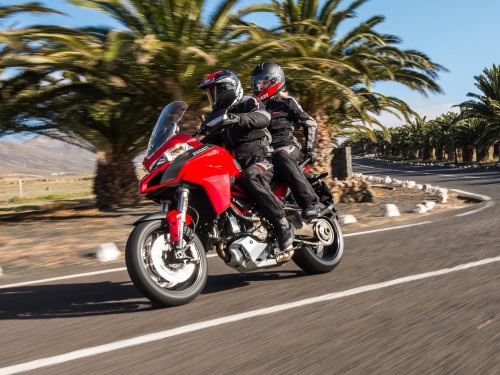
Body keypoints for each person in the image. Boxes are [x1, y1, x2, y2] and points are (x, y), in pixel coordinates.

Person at [198, 70, 294, 251]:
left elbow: (263, 117)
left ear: (229, 89)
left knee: (251, 176)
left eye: (216, 91)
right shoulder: (222, 118)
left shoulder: (249, 102)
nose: (214, 97)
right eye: (211, 93)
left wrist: (235, 118)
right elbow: (209, 142)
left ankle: (282, 223)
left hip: (262, 159)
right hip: (237, 166)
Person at [251, 62, 321, 220]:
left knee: (280, 155)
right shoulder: (254, 107)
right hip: (265, 153)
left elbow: (309, 123)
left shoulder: (287, 102)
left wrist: (310, 149)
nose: (259, 86)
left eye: (264, 82)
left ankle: (310, 202)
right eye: (257, 82)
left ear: (276, 81)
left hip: (286, 147)